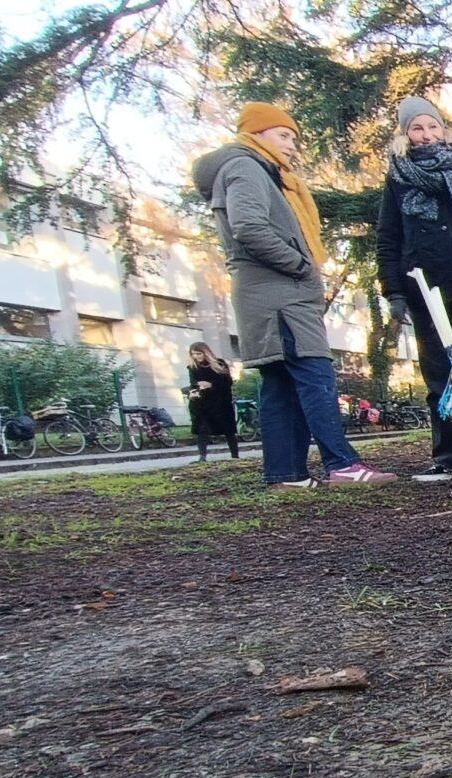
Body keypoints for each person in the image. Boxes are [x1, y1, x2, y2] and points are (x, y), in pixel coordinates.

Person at [191, 101, 395, 488]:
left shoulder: (256, 170)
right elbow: (248, 227)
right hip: (280, 297)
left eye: (294, 138)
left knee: (281, 385)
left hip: (268, 295)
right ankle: (342, 464)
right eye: (284, 135)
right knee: (316, 374)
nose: (291, 146)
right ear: (257, 133)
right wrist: (301, 265)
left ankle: (287, 475)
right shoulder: (246, 166)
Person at [376, 96, 452, 483]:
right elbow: (388, 238)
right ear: (405, 133)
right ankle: (450, 458)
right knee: (439, 376)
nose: (426, 134)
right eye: (417, 128)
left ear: (444, 128)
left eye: (432, 126)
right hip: (424, 287)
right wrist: (394, 292)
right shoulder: (397, 178)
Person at [186, 341, 239, 461]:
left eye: (199, 353)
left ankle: (235, 455)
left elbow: (228, 382)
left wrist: (211, 385)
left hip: (220, 401)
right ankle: (202, 456)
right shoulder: (193, 367)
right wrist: (195, 388)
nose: (196, 356)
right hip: (202, 402)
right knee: (202, 428)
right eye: (193, 354)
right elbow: (193, 383)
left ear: (205, 353)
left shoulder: (219, 363)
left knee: (228, 429)